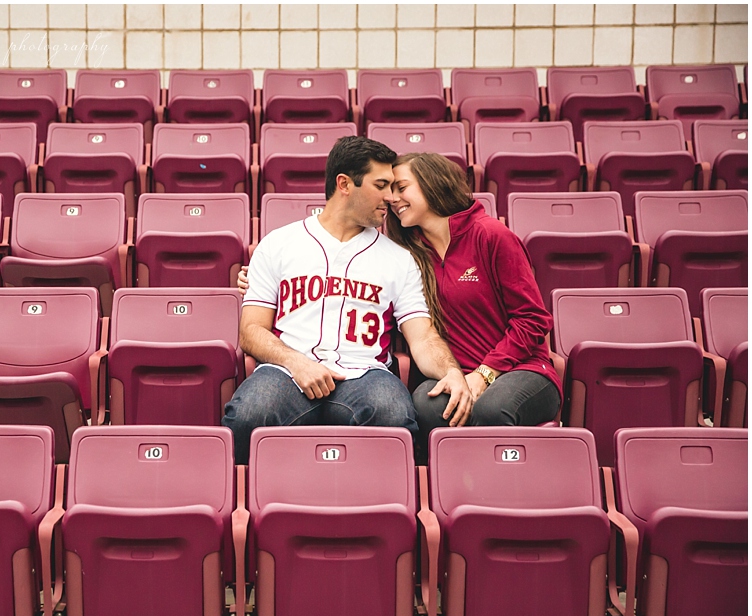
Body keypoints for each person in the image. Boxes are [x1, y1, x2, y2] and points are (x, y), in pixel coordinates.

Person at [222, 137, 472, 465]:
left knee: (394, 416)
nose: (391, 197)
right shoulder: (278, 244)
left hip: (365, 373)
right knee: (247, 415)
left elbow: (422, 336)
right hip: (288, 371)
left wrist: (450, 371)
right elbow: (251, 331)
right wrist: (297, 364)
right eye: (381, 185)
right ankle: (250, 511)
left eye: (393, 186)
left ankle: (387, 513)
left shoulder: (399, 258)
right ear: (344, 184)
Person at [385, 152, 562, 453]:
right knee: (426, 406)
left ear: (431, 183)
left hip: (522, 370)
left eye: (401, 187)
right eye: (389, 191)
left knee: (490, 411)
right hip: (453, 372)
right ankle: (448, 496)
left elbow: (533, 319)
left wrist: (485, 373)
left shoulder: (491, 235)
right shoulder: (408, 253)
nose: (392, 198)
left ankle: (497, 497)